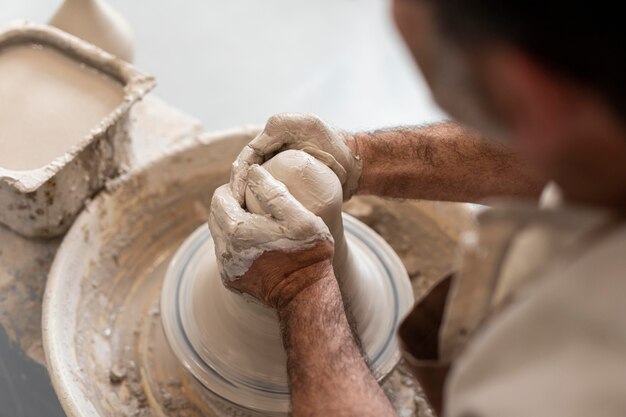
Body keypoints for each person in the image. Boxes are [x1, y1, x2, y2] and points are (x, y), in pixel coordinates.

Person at [208, 0, 626, 416]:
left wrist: (299, 285)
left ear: (527, 91)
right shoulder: (596, 115)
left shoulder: (586, 381)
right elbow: (570, 140)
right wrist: (359, 157)